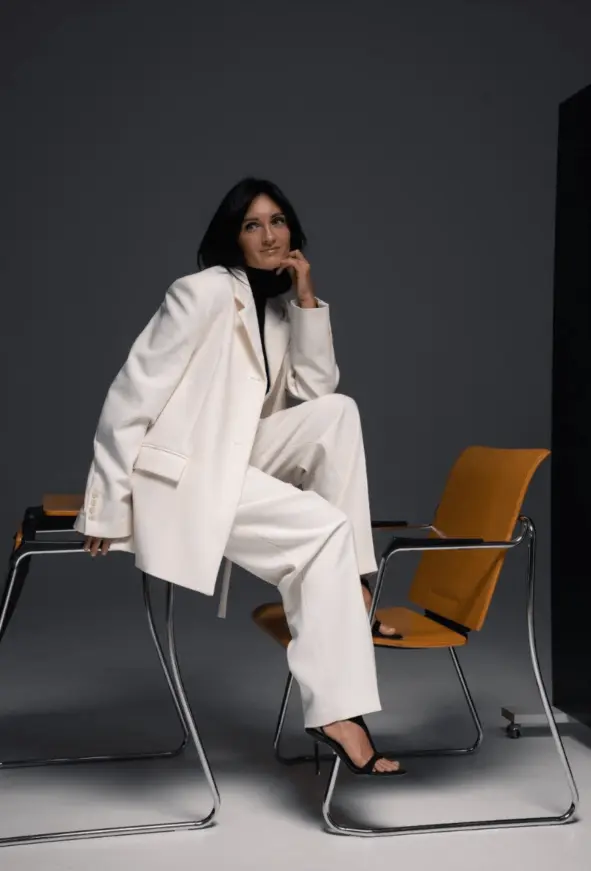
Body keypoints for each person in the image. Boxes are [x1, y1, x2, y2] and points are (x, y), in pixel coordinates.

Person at [76, 177, 405, 776]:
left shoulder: (277, 310)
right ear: (234, 236)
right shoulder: (200, 292)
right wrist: (107, 503)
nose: (269, 235)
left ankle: (356, 582)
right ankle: (338, 713)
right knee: (324, 530)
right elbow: (132, 393)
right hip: (190, 474)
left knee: (339, 412)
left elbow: (315, 391)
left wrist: (307, 300)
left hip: (238, 459)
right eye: (253, 225)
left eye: (278, 221)